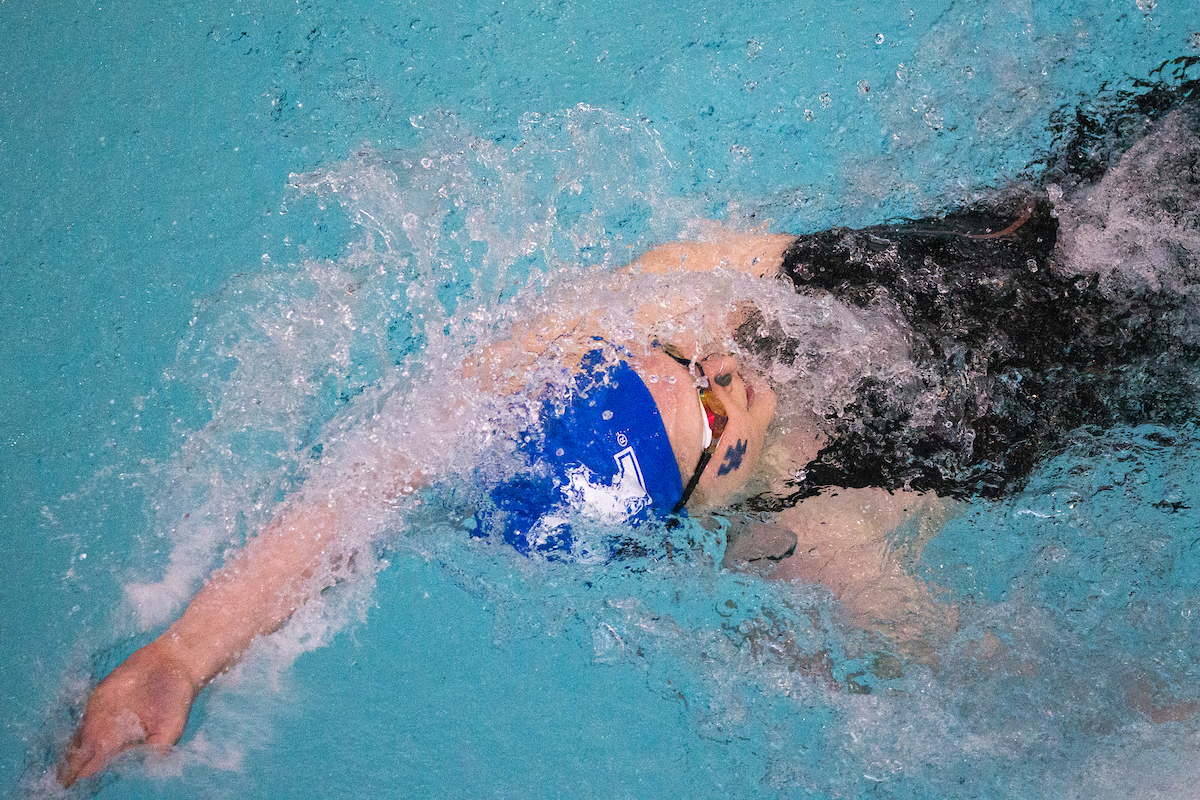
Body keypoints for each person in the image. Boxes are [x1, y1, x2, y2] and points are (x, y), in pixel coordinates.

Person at [60, 106, 1200, 783]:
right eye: (709, 408)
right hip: (1144, 362)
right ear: (699, 499)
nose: (724, 369)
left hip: (1096, 200)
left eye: (681, 356)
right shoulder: (819, 549)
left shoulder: (676, 299)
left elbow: (380, 467)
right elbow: (1020, 691)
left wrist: (184, 652)